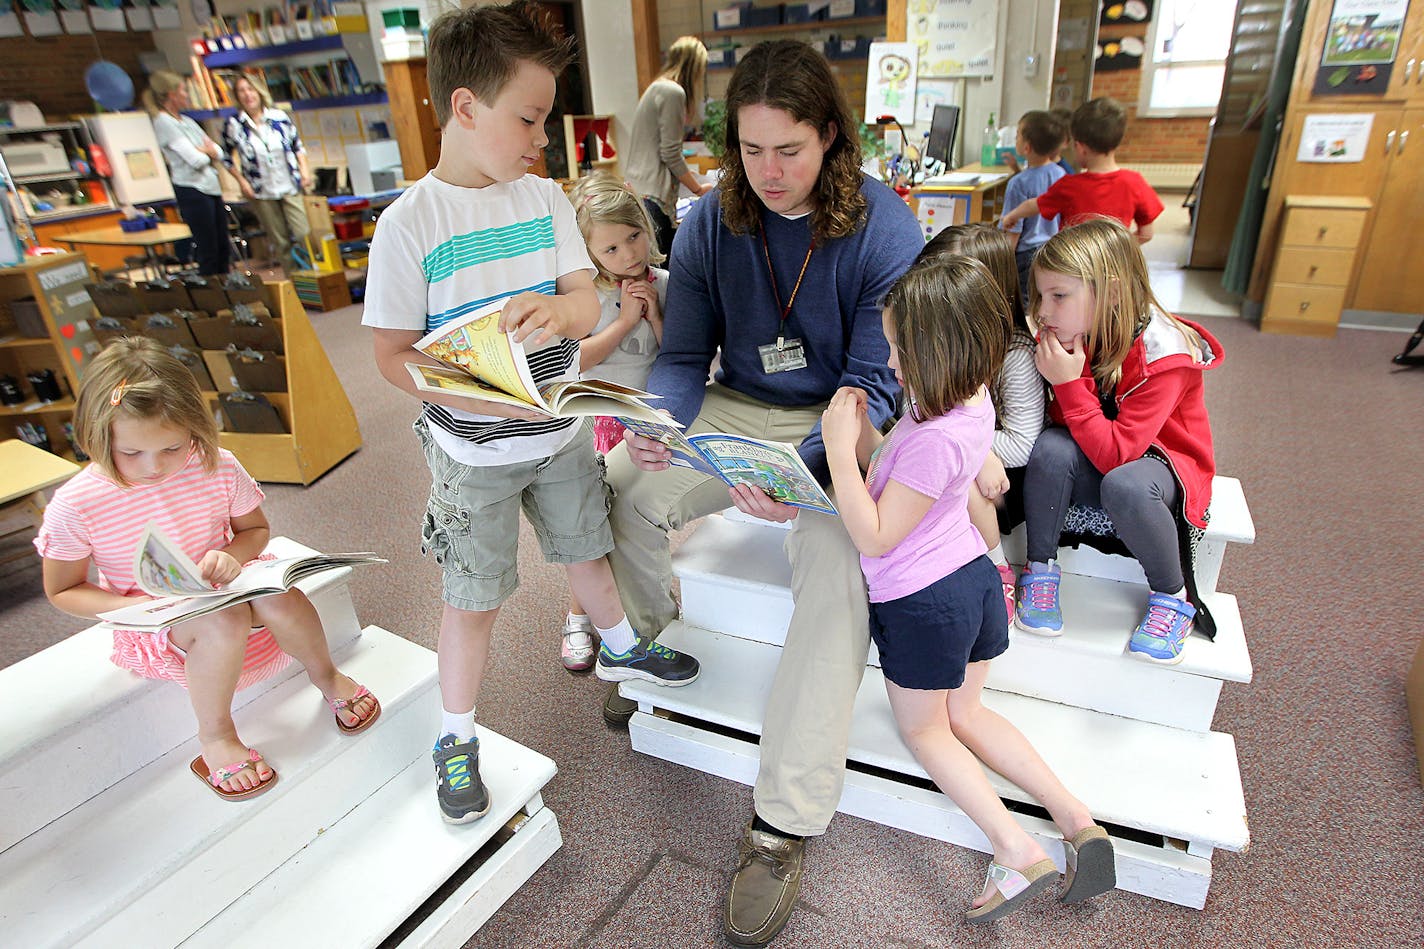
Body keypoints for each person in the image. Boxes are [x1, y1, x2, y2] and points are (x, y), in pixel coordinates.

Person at [601, 39, 923, 947]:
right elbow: (677, 358)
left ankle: (783, 821)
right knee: (617, 483)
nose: (770, 171)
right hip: (734, 406)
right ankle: (647, 653)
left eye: (790, 149)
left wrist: (809, 476)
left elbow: (877, 383)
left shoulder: (885, 227)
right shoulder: (708, 223)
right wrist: (660, 426)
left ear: (830, 136)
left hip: (840, 418)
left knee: (838, 555)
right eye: (751, 150)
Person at [362, 1, 699, 826]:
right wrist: (459, 389)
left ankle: (623, 645)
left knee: (587, 547)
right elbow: (391, 352)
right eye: (529, 118)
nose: (541, 138)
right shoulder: (408, 226)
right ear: (466, 108)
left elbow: (586, 298)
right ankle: (455, 735)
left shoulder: (544, 199)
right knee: (472, 598)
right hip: (472, 452)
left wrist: (564, 315)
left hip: (558, 429)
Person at [821, 254, 1115, 924]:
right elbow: (911, 460)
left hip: (924, 604)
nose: (891, 363)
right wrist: (870, 433)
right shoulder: (969, 402)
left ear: (938, 351)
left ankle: (1014, 846)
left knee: (927, 730)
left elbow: (874, 534)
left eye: (899, 350)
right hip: (975, 581)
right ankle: (1076, 818)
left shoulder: (933, 437)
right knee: (970, 713)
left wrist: (840, 450)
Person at [34, 337, 380, 801]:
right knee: (224, 619)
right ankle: (215, 735)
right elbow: (64, 590)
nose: (154, 467)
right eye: (131, 453)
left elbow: (255, 530)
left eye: (173, 447)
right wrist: (132, 606)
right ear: (96, 437)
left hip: (228, 585)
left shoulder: (217, 464)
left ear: (196, 429)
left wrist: (232, 556)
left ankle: (326, 675)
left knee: (280, 595)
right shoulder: (77, 503)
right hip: (155, 621)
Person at [1016, 218, 1223, 663]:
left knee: (1124, 484)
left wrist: (1069, 384)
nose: (1044, 312)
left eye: (1059, 296)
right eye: (1041, 296)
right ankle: (1040, 569)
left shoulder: (1166, 353)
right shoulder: (1081, 333)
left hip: (1162, 466)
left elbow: (1118, 457)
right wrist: (1066, 380)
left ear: (1109, 292)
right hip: (1105, 448)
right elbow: (1066, 425)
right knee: (1051, 448)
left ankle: (1173, 596)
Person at [557, 173, 669, 673]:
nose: (627, 254)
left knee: (636, 520)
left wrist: (655, 315)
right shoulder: (588, 301)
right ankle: (579, 615)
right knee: (592, 527)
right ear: (589, 255)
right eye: (610, 248)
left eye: (634, 237)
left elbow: (683, 355)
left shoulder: (666, 284)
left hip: (649, 417)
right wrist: (624, 321)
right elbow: (574, 362)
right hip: (599, 420)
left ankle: (636, 611)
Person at [917, 224, 1045, 618]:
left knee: (963, 478)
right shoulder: (930, 342)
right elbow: (917, 409)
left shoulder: (1016, 356)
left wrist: (975, 450)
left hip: (1000, 478)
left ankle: (997, 567)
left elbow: (1023, 443)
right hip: (949, 456)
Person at [1000, 98, 1162, 244]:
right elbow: (1146, 234)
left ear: (1080, 147)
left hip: (1073, 267)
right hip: (1114, 269)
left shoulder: (1070, 186)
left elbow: (1034, 204)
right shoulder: (1135, 182)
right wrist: (1114, 248)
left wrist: (1012, 216)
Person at [624, 35, 714, 256]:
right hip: (653, 197)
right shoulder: (673, 92)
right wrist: (699, 189)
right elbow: (670, 153)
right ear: (694, 67)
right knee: (663, 270)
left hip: (640, 191)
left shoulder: (657, 88)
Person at [145, 71, 232, 276]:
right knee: (208, 249)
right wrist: (205, 152)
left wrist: (206, 151)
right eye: (184, 90)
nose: (187, 95)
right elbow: (196, 160)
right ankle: (214, 299)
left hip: (211, 188)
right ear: (172, 94)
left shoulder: (187, 121)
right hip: (192, 190)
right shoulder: (164, 123)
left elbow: (217, 152)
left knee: (222, 247)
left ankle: (231, 293)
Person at [222, 75, 312, 268]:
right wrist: (242, 181)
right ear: (237, 96)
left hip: (289, 184)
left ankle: (313, 277)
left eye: (250, 89)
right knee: (281, 242)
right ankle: (296, 288)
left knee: (304, 233)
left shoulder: (279, 118)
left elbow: (298, 147)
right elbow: (225, 156)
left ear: (259, 91)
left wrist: (304, 171)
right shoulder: (234, 124)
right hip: (261, 190)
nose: (247, 95)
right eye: (242, 91)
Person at [1000, 110, 1068, 305]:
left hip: (1026, 255)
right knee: (1043, 299)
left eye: (1018, 136)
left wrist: (1004, 263)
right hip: (1053, 248)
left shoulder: (1018, 184)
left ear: (1027, 147)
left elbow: (1014, 229)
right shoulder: (1060, 174)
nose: (1016, 140)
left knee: (1024, 303)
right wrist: (1016, 169)